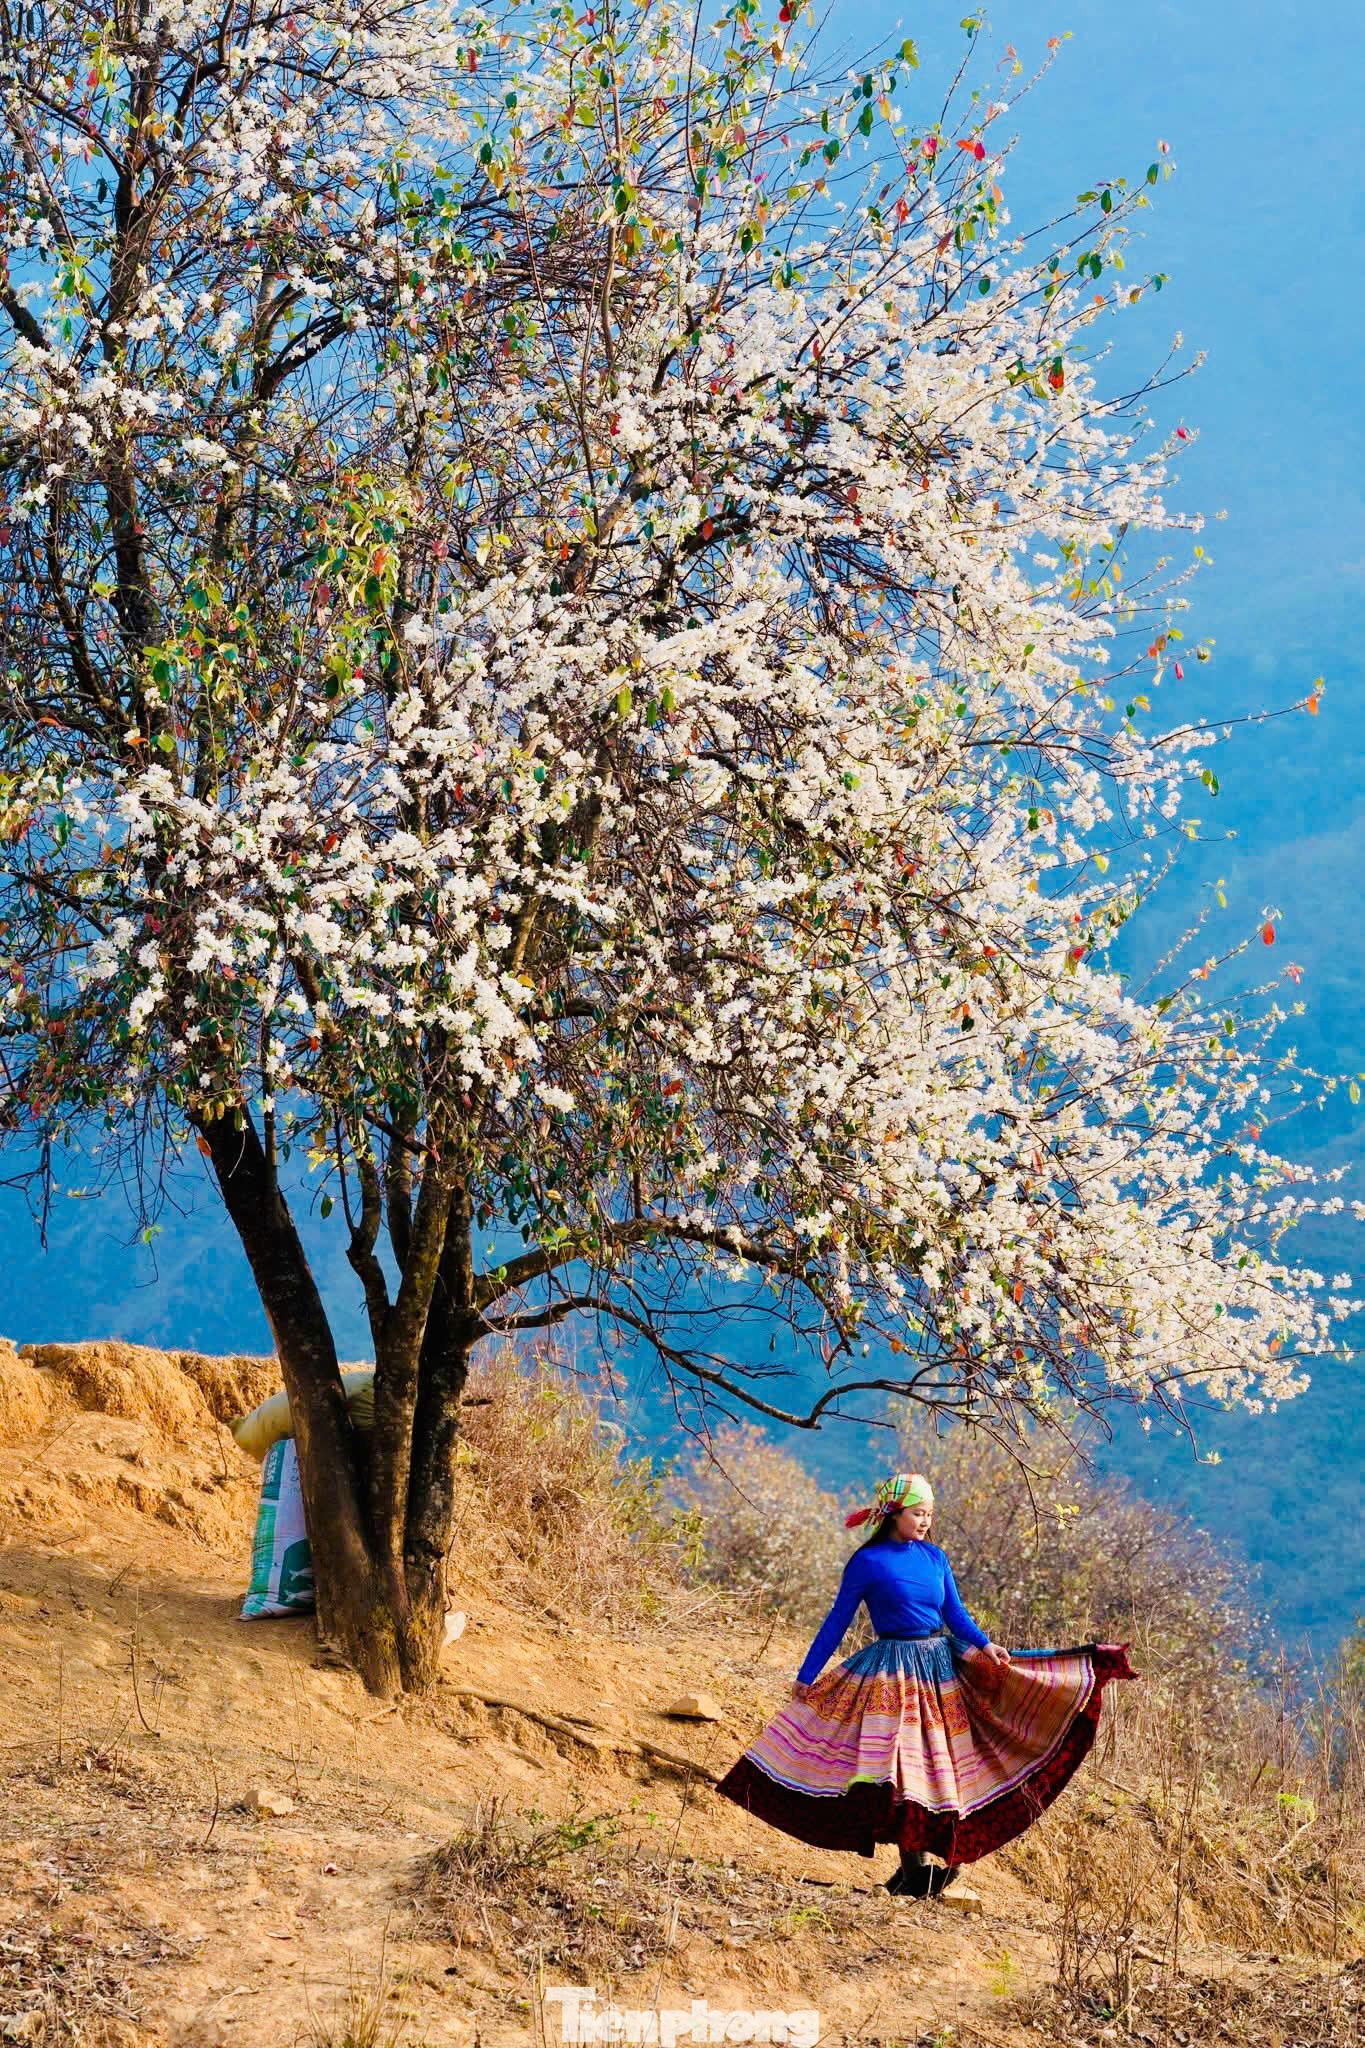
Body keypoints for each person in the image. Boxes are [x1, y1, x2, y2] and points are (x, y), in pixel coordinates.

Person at [716, 1472, 1137, 1897]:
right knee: (901, 1765)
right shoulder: (867, 1562)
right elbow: (836, 1622)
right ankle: (915, 1871)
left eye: (930, 1514)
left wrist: (986, 1644)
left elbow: (955, 1613)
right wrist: (806, 1676)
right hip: (892, 1673)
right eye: (919, 1513)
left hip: (939, 1669)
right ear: (893, 1513)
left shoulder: (935, 1558)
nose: (925, 1521)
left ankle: (911, 1873)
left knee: (933, 1767)